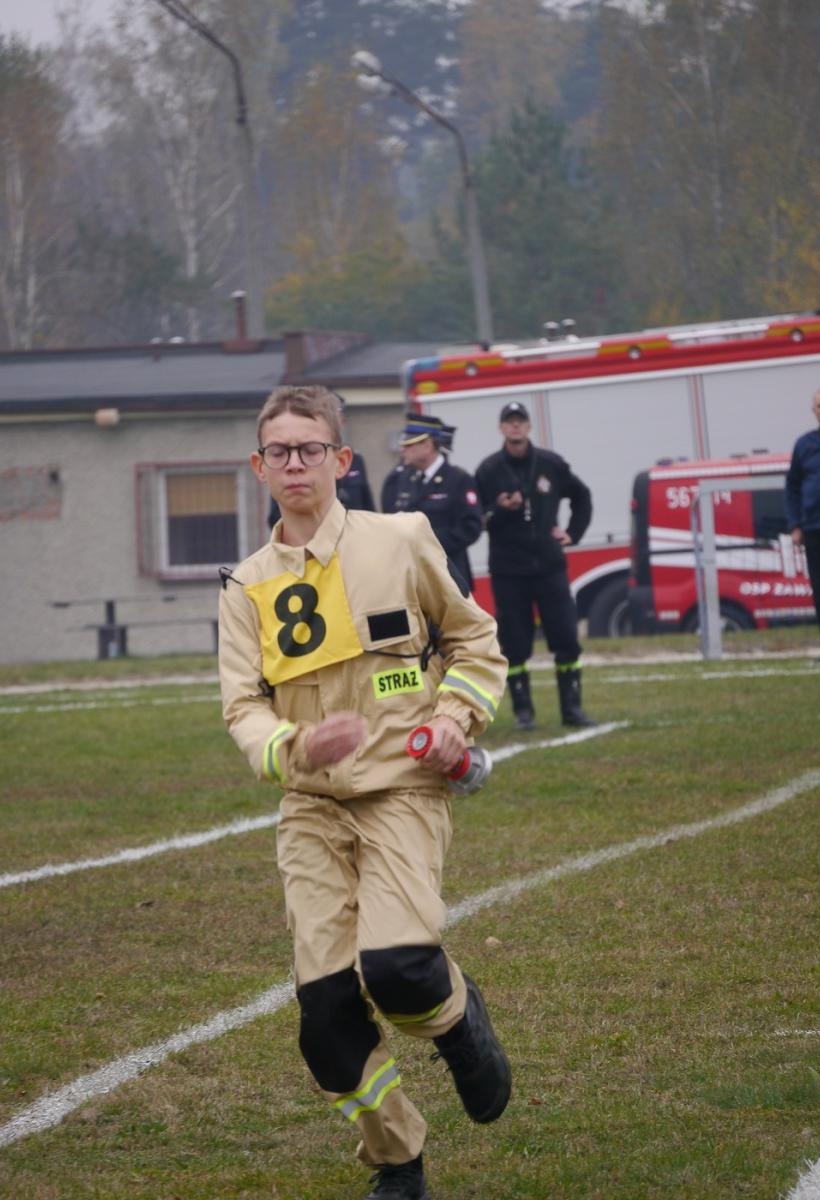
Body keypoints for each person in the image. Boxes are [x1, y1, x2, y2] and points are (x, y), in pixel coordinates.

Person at [218, 385, 511, 1200]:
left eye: (310, 449)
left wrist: (453, 718)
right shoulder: (244, 586)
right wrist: (293, 746)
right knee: (325, 1023)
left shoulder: (401, 538)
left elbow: (475, 642)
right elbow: (242, 707)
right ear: (259, 467)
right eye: (279, 451)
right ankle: (397, 1162)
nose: (295, 464)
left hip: (402, 792)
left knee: (400, 969)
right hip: (309, 808)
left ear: (341, 460)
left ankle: (458, 1023)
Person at [474, 400, 595, 730]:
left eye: (520, 421)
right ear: (501, 428)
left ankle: (572, 710)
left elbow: (582, 496)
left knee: (566, 637)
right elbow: (476, 517)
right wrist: (498, 508)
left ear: (529, 427)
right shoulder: (488, 470)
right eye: (509, 421)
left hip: (549, 566)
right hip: (508, 570)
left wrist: (573, 533)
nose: (515, 426)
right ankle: (523, 713)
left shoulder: (550, 464)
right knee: (513, 643)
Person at [381, 412, 483, 589]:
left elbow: (470, 527)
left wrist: (428, 543)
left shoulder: (458, 479)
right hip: (415, 577)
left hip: (450, 575)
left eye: (409, 444)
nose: (403, 449)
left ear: (427, 445)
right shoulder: (403, 479)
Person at [268, 393, 375, 527]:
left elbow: (368, 509)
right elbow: (276, 516)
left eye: (336, 418)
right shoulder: (293, 459)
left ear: (342, 421)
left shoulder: (355, 459)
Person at [785, 385, 820, 663]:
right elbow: (792, 487)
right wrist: (796, 524)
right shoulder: (804, 445)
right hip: (816, 528)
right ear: (814, 411)